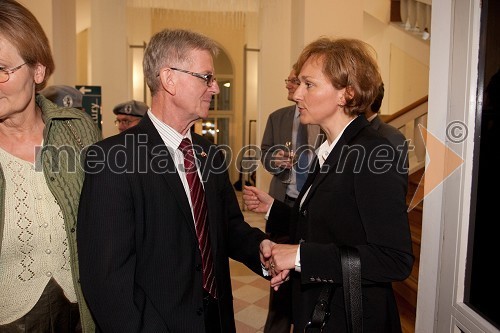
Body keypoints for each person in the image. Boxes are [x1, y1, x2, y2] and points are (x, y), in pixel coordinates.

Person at [76, 28, 274, 333]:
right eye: (207, 77)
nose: (216, 88)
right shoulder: (112, 159)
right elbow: (107, 280)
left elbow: (228, 228)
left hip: (215, 319)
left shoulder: (210, 154)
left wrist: (265, 252)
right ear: (169, 79)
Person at [244, 37, 414, 332]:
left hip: (351, 318)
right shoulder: (332, 147)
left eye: (308, 85)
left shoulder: (374, 153)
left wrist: (298, 256)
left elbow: (393, 259)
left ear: (346, 94)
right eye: (298, 84)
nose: (296, 94)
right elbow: (327, 225)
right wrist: (275, 208)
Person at [0, 1, 101, 332]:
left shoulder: (76, 129)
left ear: (38, 71)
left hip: (80, 315)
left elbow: (107, 220)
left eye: (2, 69)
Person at [259, 68, 322, 333]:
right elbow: (264, 153)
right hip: (284, 201)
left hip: (313, 205)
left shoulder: (323, 116)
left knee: (310, 273)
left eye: (297, 81)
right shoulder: (277, 117)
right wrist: (275, 161)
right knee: (279, 277)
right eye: (291, 81)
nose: (291, 87)